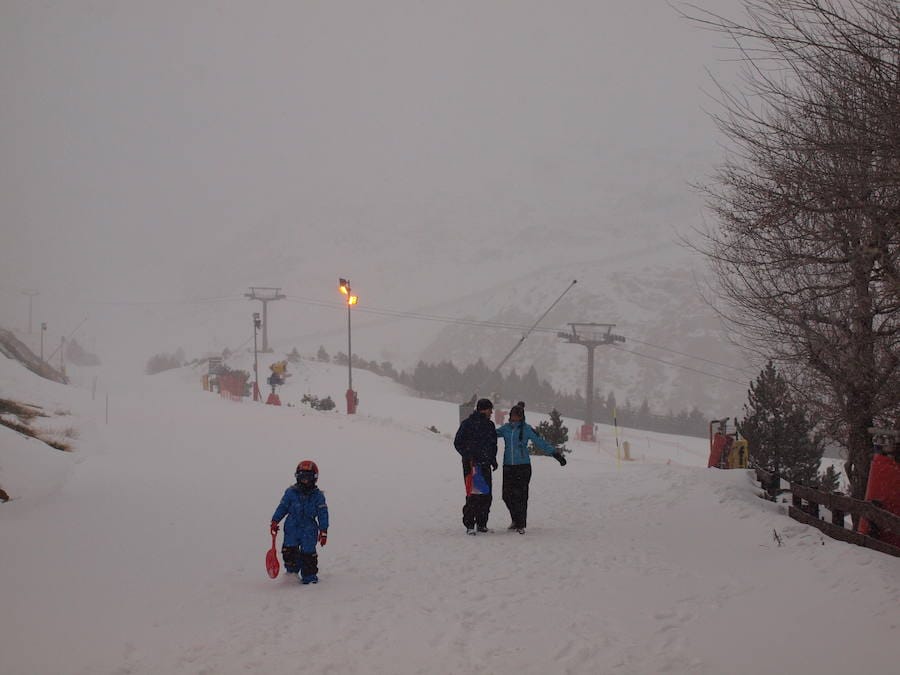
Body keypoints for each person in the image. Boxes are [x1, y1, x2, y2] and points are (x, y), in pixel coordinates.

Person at [495, 404, 567, 534]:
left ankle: (520, 523)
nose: (514, 418)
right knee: (506, 496)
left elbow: (541, 443)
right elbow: (491, 434)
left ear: (522, 416)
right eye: (513, 415)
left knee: (521, 496)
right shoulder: (505, 429)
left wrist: (556, 454)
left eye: (517, 415)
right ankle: (515, 519)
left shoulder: (527, 429)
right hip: (508, 467)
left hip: (523, 467)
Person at [270, 460, 329, 584]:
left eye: (308, 477)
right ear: (297, 477)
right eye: (302, 477)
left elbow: (323, 513)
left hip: (309, 528)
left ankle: (309, 577)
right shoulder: (291, 493)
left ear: (314, 478)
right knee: (289, 550)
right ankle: (291, 575)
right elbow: (283, 507)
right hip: (292, 526)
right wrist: (275, 520)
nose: (305, 481)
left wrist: (323, 530)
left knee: (308, 553)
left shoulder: (318, 496)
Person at [453, 397, 499, 535]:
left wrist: (493, 459)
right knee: (473, 496)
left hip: (485, 464)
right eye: (490, 409)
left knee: (486, 495)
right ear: (484, 409)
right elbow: (458, 443)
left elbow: (493, 444)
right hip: (472, 464)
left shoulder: (490, 425)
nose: (492, 412)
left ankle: (481, 524)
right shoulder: (468, 424)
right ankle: (470, 525)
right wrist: (468, 456)